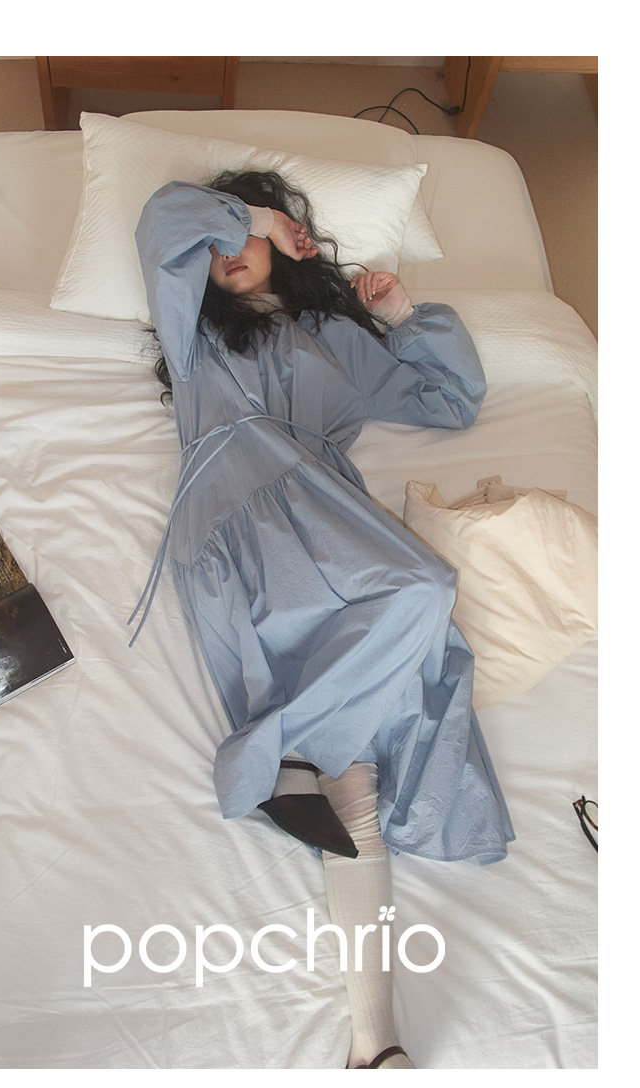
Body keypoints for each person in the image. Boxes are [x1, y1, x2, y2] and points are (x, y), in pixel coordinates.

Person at [132, 170, 514, 1069]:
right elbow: (162, 220)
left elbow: (452, 400)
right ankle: (277, 753)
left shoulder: (336, 338)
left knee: (355, 787)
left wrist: (402, 312)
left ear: (289, 249)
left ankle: (373, 1048)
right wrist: (258, 217)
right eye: (220, 240)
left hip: (331, 517)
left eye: (244, 237)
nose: (227, 252)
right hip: (237, 511)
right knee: (423, 591)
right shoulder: (192, 333)